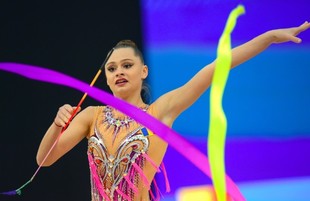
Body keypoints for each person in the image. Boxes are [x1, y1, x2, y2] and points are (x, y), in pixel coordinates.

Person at [36, 21, 310, 201]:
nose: (119, 71)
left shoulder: (160, 112)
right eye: (112, 68)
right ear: (106, 78)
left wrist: (269, 38)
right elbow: (44, 160)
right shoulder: (90, 116)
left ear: (144, 71)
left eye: (127, 65)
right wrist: (56, 124)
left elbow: (214, 69)